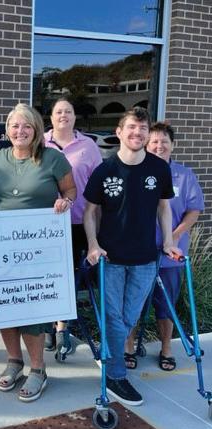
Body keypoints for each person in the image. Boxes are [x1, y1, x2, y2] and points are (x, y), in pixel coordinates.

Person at [83, 107, 182, 407]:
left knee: (129, 317)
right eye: (131, 127)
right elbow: (90, 212)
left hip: (145, 260)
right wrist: (93, 245)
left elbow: (164, 208)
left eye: (142, 128)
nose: (137, 133)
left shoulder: (159, 168)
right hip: (111, 259)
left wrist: (168, 241)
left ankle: (109, 353)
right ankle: (115, 375)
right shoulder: (104, 170)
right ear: (119, 132)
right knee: (114, 318)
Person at [0, 103, 76, 402]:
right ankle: (14, 361)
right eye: (15, 126)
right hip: (0, 248)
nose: (20, 131)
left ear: (37, 130)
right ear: (7, 130)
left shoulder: (53, 158)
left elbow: (71, 191)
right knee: (3, 305)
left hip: (38, 250)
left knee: (32, 311)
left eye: (27, 126)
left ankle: (38, 369)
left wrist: (65, 202)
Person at [124, 122, 204, 371]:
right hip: (139, 253)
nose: (159, 146)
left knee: (165, 305)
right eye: (154, 142)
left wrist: (175, 235)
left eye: (164, 142)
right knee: (134, 303)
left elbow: (194, 210)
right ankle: (129, 347)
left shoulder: (184, 175)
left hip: (170, 256)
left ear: (172, 145)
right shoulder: (137, 172)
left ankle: (166, 349)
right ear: (147, 144)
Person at [43, 96, 102, 358]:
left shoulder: (88, 146)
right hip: (46, 223)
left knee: (70, 278)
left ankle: (62, 327)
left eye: (68, 111)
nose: (63, 115)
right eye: (58, 112)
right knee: (48, 274)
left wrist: (97, 227)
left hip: (78, 221)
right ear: (51, 117)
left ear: (74, 117)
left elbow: (98, 185)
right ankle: (46, 323)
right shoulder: (41, 142)